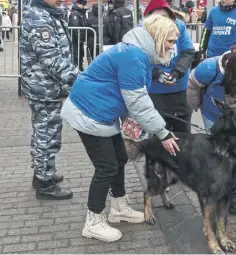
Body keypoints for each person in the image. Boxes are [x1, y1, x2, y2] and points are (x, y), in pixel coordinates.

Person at [60, 15, 180, 243]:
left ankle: (119, 207)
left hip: (101, 112)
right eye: (170, 41)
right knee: (106, 166)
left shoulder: (135, 52)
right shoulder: (133, 56)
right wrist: (162, 133)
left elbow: (133, 98)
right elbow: (138, 102)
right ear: (158, 37)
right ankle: (93, 222)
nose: (171, 47)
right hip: (90, 112)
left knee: (119, 158)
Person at [20, 0, 80, 200]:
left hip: (47, 86)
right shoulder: (40, 19)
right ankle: (45, 185)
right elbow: (50, 58)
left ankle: (42, 174)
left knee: (43, 132)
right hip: (43, 87)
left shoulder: (48, 15)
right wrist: (77, 78)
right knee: (47, 133)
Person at [187, 47, 236, 215]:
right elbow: (193, 85)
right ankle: (214, 187)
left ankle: (234, 192)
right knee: (216, 153)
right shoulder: (209, 68)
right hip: (214, 115)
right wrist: (195, 105)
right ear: (231, 71)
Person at [143, 0, 196, 134]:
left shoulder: (179, 26)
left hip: (179, 89)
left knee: (183, 133)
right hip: (154, 90)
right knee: (157, 134)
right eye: (156, 18)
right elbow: (140, 60)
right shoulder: (142, 30)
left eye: (164, 17)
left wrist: (177, 72)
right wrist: (156, 74)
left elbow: (188, 52)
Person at [68, 0, 91, 71]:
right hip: (76, 39)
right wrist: (80, 38)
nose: (84, 6)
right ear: (78, 4)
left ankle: (80, 67)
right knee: (76, 54)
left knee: (81, 54)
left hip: (80, 38)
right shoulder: (75, 13)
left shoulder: (81, 13)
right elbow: (75, 27)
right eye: (83, 4)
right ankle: (76, 69)